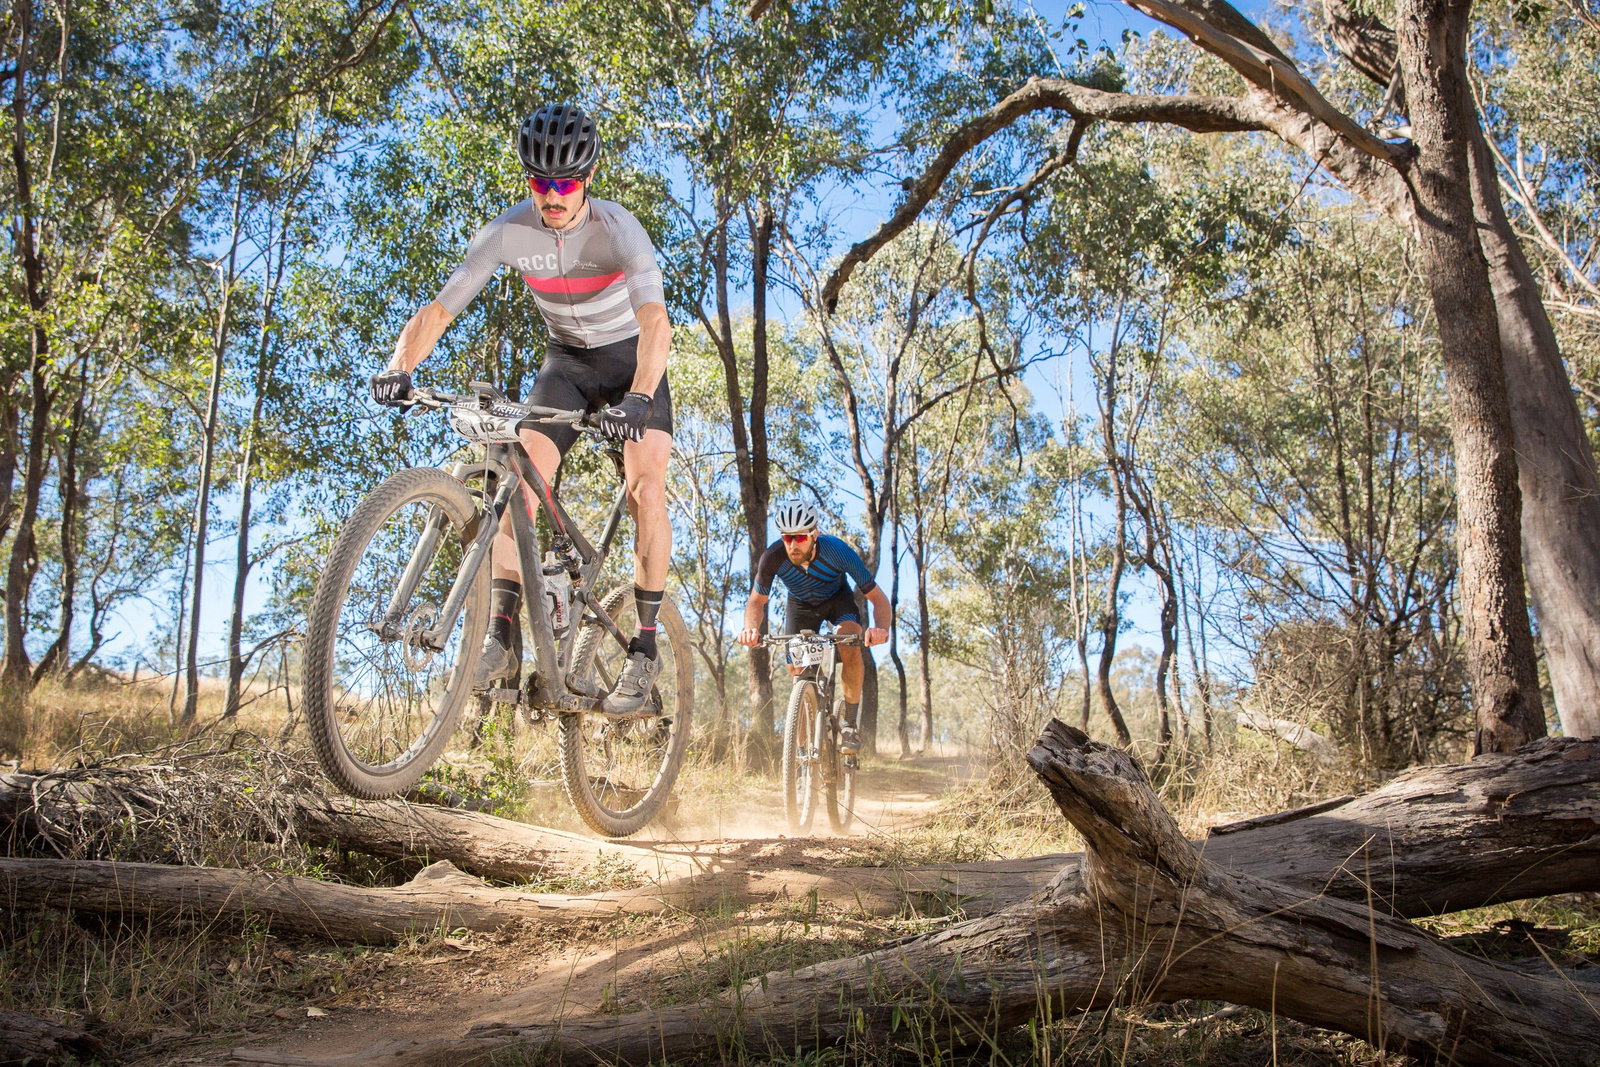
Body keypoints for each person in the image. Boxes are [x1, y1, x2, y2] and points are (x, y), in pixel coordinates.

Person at [368, 103, 672, 714]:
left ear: (587, 177)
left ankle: (643, 651)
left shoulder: (618, 230)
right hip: (567, 365)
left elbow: (655, 322)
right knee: (517, 494)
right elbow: (440, 310)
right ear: (528, 178)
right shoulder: (508, 231)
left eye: (565, 184)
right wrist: (399, 367)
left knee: (646, 491)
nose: (553, 196)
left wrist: (640, 397)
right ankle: (503, 640)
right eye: (540, 182)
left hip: (630, 365)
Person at [735, 499, 891, 756]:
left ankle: (850, 724)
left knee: (850, 641)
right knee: (798, 671)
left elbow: (878, 598)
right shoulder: (773, 557)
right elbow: (756, 601)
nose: (793, 545)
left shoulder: (837, 551)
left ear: (814, 534)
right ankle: (801, 753)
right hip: (801, 606)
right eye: (787, 538)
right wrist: (750, 629)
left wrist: (881, 628)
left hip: (837, 601)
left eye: (800, 538)